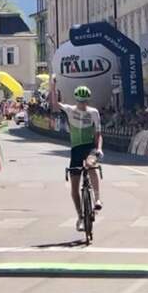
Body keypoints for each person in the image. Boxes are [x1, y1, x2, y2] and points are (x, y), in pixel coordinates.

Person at [57, 85, 103, 232]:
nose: (83, 104)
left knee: (90, 164)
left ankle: (97, 199)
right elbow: (54, 104)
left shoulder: (93, 113)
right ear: (76, 100)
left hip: (89, 147)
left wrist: (99, 148)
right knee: (74, 187)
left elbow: (98, 134)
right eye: (80, 101)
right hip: (76, 149)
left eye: (85, 102)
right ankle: (80, 217)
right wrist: (53, 86)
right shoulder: (70, 110)